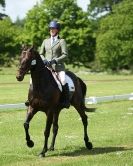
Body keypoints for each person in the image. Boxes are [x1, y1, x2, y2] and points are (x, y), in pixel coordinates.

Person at [39, 20, 70, 108]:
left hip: (58, 67)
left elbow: (65, 55)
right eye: (50, 29)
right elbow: (41, 53)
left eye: (53, 29)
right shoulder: (45, 41)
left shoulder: (61, 41)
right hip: (46, 67)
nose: (51, 30)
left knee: (63, 80)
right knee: (34, 79)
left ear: (57, 30)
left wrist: (56, 60)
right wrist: (44, 60)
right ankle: (31, 98)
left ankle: (65, 100)